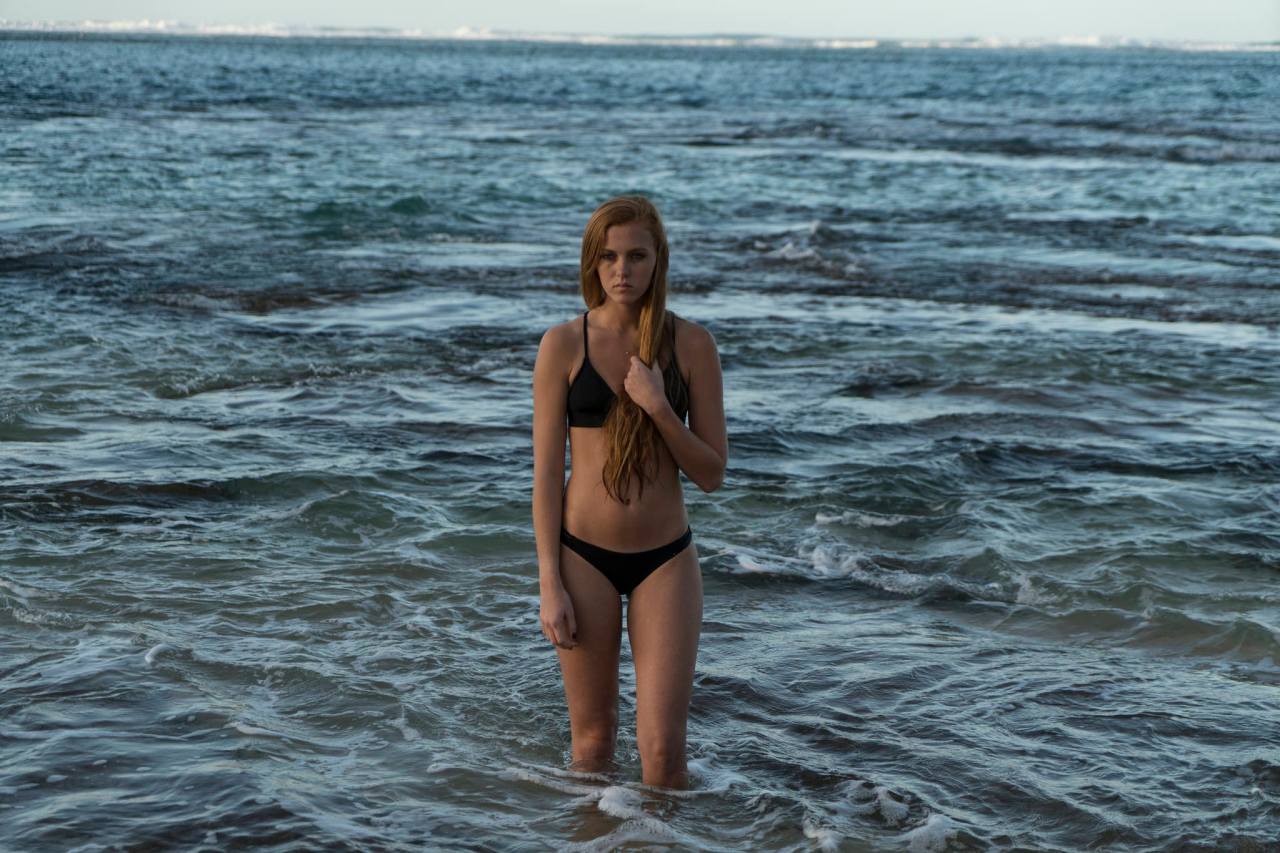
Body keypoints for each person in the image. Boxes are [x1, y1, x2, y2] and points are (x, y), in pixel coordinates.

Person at [531, 196, 728, 790]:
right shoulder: (563, 345)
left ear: (658, 261)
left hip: (665, 559)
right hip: (581, 556)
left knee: (665, 755)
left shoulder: (692, 346)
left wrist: (660, 406)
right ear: (592, 263)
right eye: (609, 257)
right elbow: (544, 475)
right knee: (592, 747)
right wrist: (549, 582)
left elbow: (712, 472)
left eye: (637, 256)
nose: (623, 271)